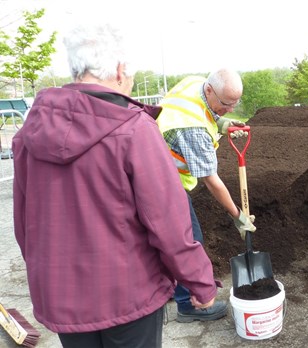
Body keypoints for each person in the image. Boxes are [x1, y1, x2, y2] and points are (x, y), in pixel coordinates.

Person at [12, 23, 224, 348]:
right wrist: (201, 284)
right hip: (129, 297)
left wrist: (46, 278)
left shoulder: (29, 133)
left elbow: (24, 225)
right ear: (121, 69)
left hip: (62, 298)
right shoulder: (134, 130)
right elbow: (169, 223)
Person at [156, 68, 256, 322]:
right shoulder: (193, 130)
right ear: (210, 90)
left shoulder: (196, 84)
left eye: (235, 104)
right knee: (189, 240)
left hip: (153, 169)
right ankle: (189, 305)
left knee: (163, 240)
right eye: (226, 104)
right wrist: (238, 217)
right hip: (164, 183)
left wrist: (220, 120)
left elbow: (202, 109)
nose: (230, 109)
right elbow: (211, 181)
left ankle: (164, 287)